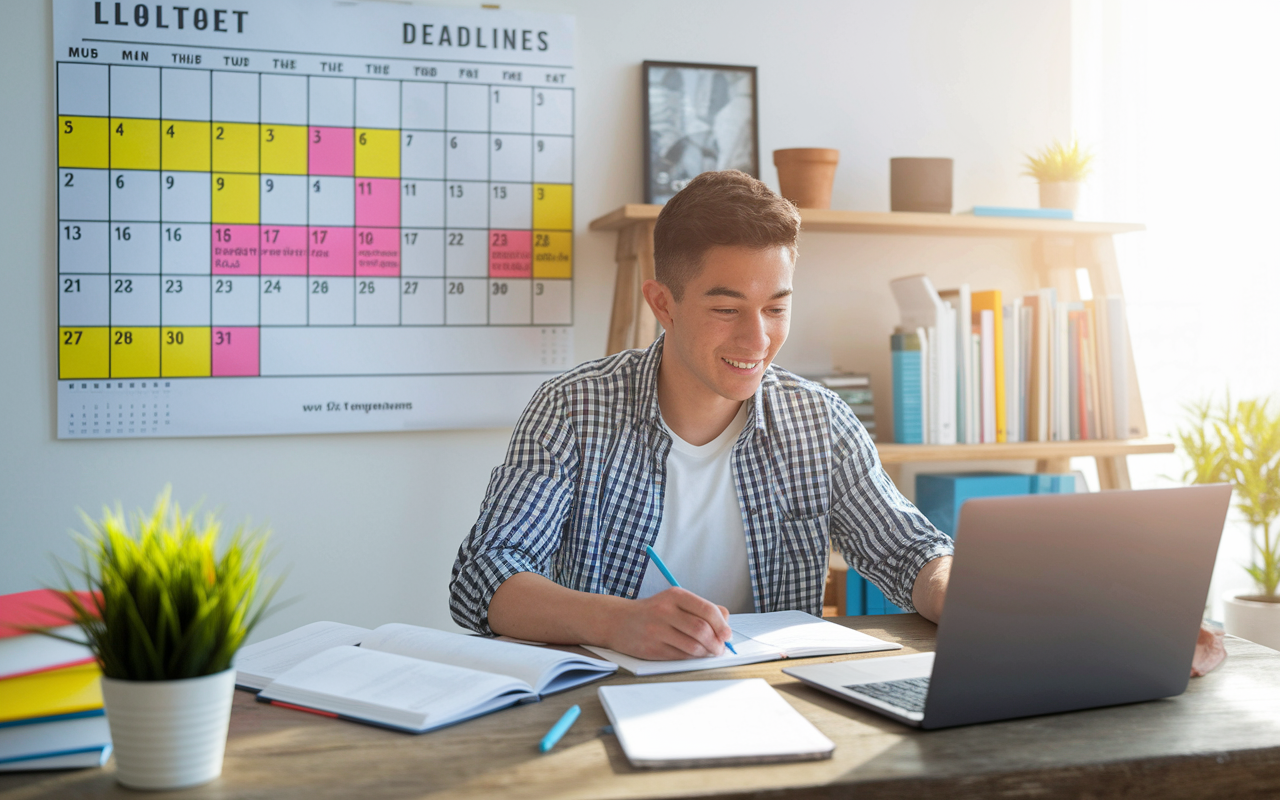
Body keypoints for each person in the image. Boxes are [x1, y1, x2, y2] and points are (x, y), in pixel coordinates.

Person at [449, 170, 954, 660]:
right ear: (663, 304)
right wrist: (617, 621)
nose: (757, 341)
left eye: (776, 309)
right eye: (727, 310)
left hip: (772, 703)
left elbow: (910, 551)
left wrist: (954, 590)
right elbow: (485, 575)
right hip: (602, 702)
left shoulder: (819, 422)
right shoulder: (573, 410)